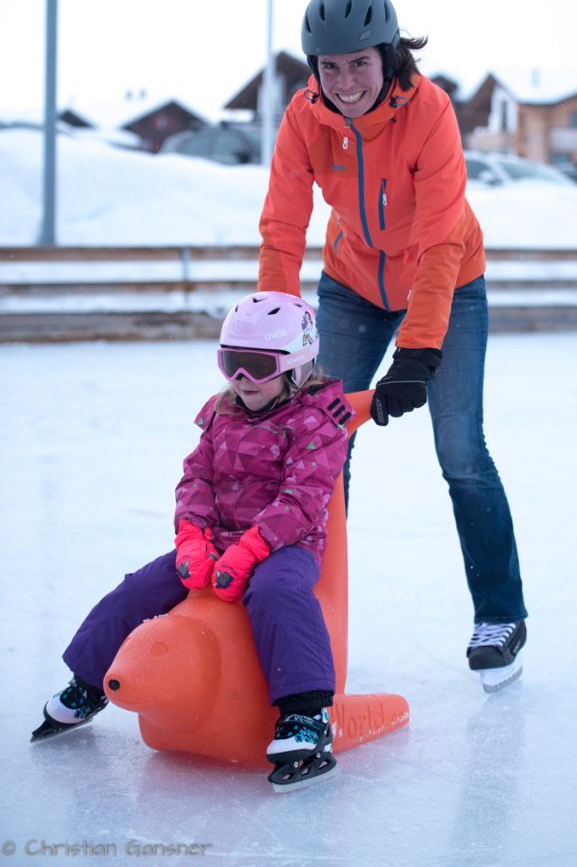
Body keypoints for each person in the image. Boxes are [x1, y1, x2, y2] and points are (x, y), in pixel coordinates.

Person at [258, 0, 528, 693]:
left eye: (360, 64)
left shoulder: (430, 111)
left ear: (389, 57)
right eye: (330, 66)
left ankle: (500, 614)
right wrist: (276, 332)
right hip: (349, 288)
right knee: (319, 445)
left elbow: (440, 241)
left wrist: (419, 350)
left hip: (448, 283)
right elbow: (283, 227)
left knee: (460, 450)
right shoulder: (304, 117)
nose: (345, 82)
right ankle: (304, 607)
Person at [31, 291, 352, 790]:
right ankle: (88, 683)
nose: (241, 380)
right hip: (214, 540)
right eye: (231, 364)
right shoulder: (222, 413)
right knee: (138, 590)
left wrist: (253, 547)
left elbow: (303, 499)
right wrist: (192, 537)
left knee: (276, 593)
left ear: (295, 365)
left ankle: (306, 714)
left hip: (286, 546)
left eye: (255, 366)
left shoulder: (315, 423)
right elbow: (196, 479)